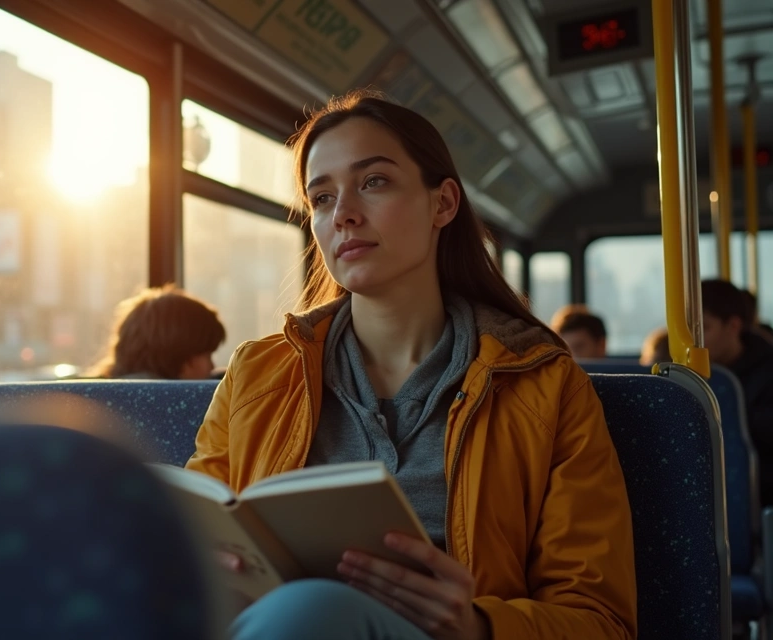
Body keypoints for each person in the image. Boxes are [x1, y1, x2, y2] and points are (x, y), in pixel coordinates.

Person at [187, 89, 636, 639]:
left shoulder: (545, 387)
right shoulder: (258, 374)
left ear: (443, 204)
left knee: (312, 615)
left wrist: (478, 625)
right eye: (322, 199)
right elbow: (203, 532)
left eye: (373, 182)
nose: (344, 215)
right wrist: (202, 569)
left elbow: (599, 620)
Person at [700, 279, 773, 504]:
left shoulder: (767, 375)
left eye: (705, 328)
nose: (694, 340)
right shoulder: (683, 376)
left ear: (733, 326)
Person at [89, 285, 225, 380]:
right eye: (207, 355)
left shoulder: (89, 398)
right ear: (185, 360)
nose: (212, 367)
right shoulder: (186, 408)